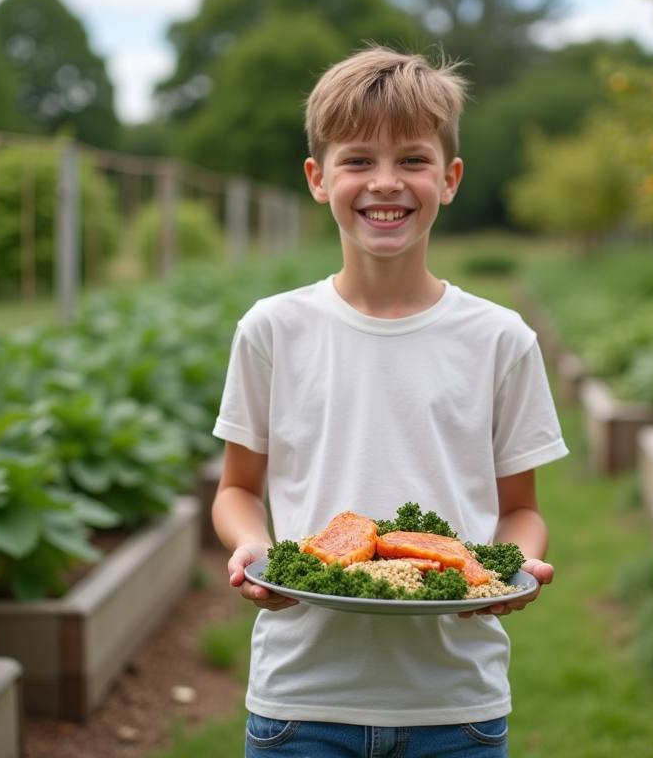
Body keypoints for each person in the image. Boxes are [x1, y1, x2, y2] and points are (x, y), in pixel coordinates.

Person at [211, 45, 569, 757]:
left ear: (450, 177)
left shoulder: (500, 338)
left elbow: (520, 508)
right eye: (357, 161)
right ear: (318, 178)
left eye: (412, 159)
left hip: (455, 702)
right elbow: (236, 490)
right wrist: (255, 548)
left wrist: (515, 569)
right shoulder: (273, 329)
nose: (386, 183)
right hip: (301, 699)